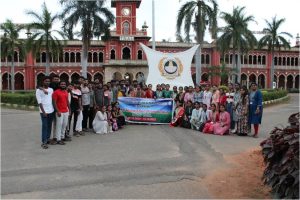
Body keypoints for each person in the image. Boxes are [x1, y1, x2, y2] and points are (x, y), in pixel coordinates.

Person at [36, 76, 54, 149]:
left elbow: (52, 100)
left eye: (49, 81)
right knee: (45, 126)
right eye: (46, 81)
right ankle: (44, 142)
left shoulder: (51, 89)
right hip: (44, 112)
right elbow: (39, 102)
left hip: (51, 110)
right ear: (43, 82)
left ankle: (48, 139)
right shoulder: (38, 91)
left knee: (49, 126)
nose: (47, 82)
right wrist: (43, 112)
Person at [52, 80, 71, 145]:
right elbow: (54, 103)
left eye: (64, 84)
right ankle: (58, 139)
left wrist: (69, 110)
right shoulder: (56, 92)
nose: (63, 85)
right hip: (59, 112)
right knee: (59, 125)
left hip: (66, 111)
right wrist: (57, 111)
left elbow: (67, 102)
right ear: (59, 85)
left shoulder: (66, 92)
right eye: (62, 84)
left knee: (64, 125)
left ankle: (62, 137)